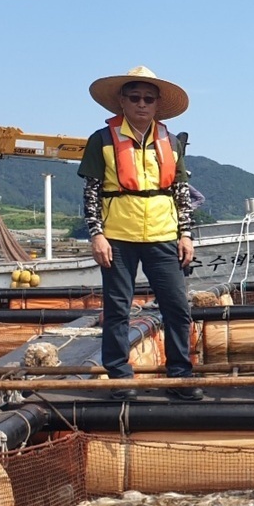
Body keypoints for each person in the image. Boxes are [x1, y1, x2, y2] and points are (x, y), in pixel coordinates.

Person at [78, 65, 203, 402]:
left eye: (149, 98)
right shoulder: (101, 140)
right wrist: (96, 235)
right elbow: (91, 193)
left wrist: (186, 234)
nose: (142, 104)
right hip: (118, 236)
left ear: (157, 104)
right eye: (135, 97)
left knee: (177, 306)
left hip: (164, 234)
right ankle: (120, 376)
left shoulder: (172, 142)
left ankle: (180, 377)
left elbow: (181, 193)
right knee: (117, 308)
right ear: (122, 100)